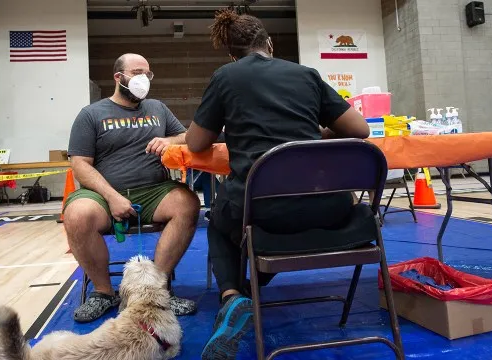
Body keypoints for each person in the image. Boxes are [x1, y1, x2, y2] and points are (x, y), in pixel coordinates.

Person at [185, 10, 370, 359]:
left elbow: (195, 144)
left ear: (231, 54)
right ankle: (247, 292)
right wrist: (322, 132)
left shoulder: (225, 76)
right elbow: (360, 130)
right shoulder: (306, 74)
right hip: (329, 208)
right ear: (269, 43)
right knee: (246, 226)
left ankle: (232, 298)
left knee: (218, 222)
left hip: (264, 211)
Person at [64, 53, 201, 323]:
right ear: (119, 77)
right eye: (137, 72)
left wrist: (170, 141)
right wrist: (112, 197)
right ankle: (103, 293)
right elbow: (80, 165)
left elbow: (186, 136)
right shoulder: (91, 114)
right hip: (103, 195)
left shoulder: (158, 108)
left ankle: (157, 291)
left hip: (154, 191)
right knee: (77, 215)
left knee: (188, 203)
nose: (143, 79)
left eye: (147, 74)